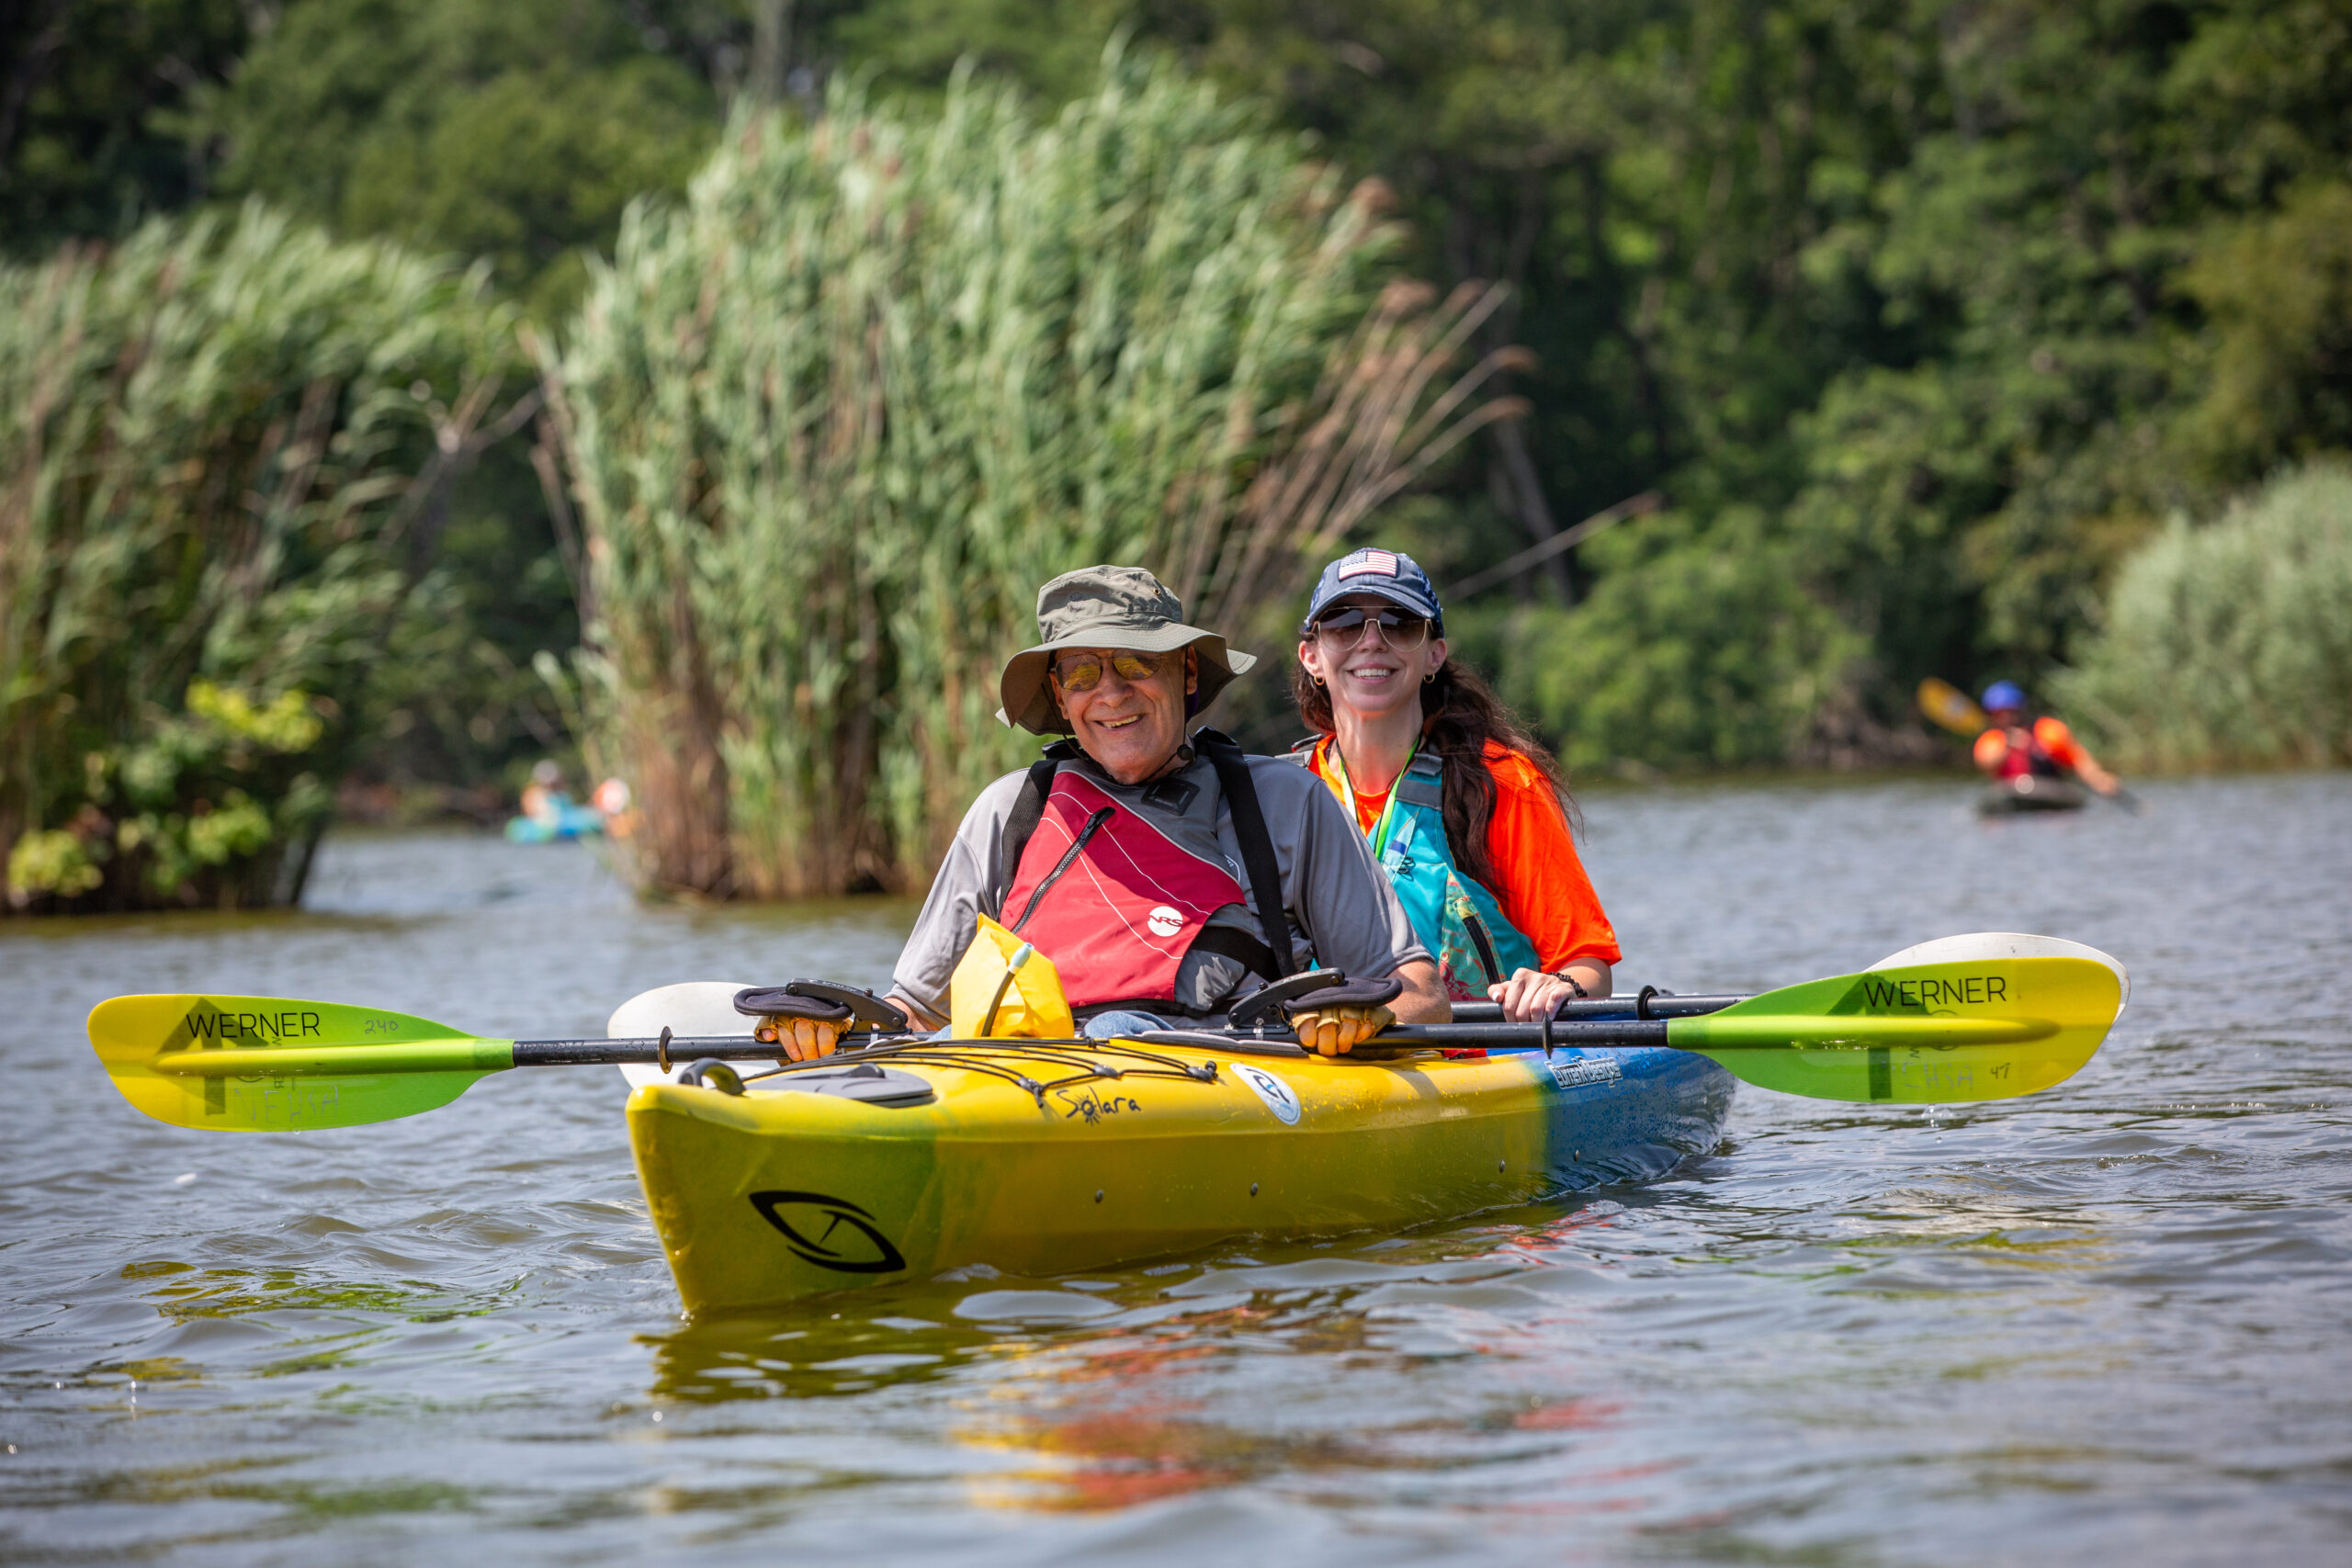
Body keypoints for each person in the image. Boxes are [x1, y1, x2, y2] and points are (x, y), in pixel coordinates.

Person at [760, 565, 1449, 1064]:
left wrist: (1363, 1016)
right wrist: (831, 1027)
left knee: (1125, 1024)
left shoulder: (1285, 802)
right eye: (1084, 673)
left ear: (1184, 672)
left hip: (1218, 1078)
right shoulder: (1011, 813)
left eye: (1133, 663)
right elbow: (914, 1012)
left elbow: (1420, 992)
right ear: (1060, 698)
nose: (1110, 693)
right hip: (1019, 1081)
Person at [1291, 547, 1620, 1022]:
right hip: (1319, 1060)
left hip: (1477, 1060)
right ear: (1312, 656)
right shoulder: (1282, 792)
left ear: (1433, 656)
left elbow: (1589, 968)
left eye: (1399, 623)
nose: (1371, 642)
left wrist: (1558, 985)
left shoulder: (1501, 782)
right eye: (1344, 624)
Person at [1973, 682, 2124, 797]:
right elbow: (1986, 763)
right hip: (2010, 792)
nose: (2005, 718)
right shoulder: (1991, 740)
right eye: (1998, 714)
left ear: (2019, 710)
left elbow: (2078, 758)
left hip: (2049, 791)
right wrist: (2008, 745)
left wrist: (2097, 778)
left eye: (2009, 712)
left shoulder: (2048, 731)